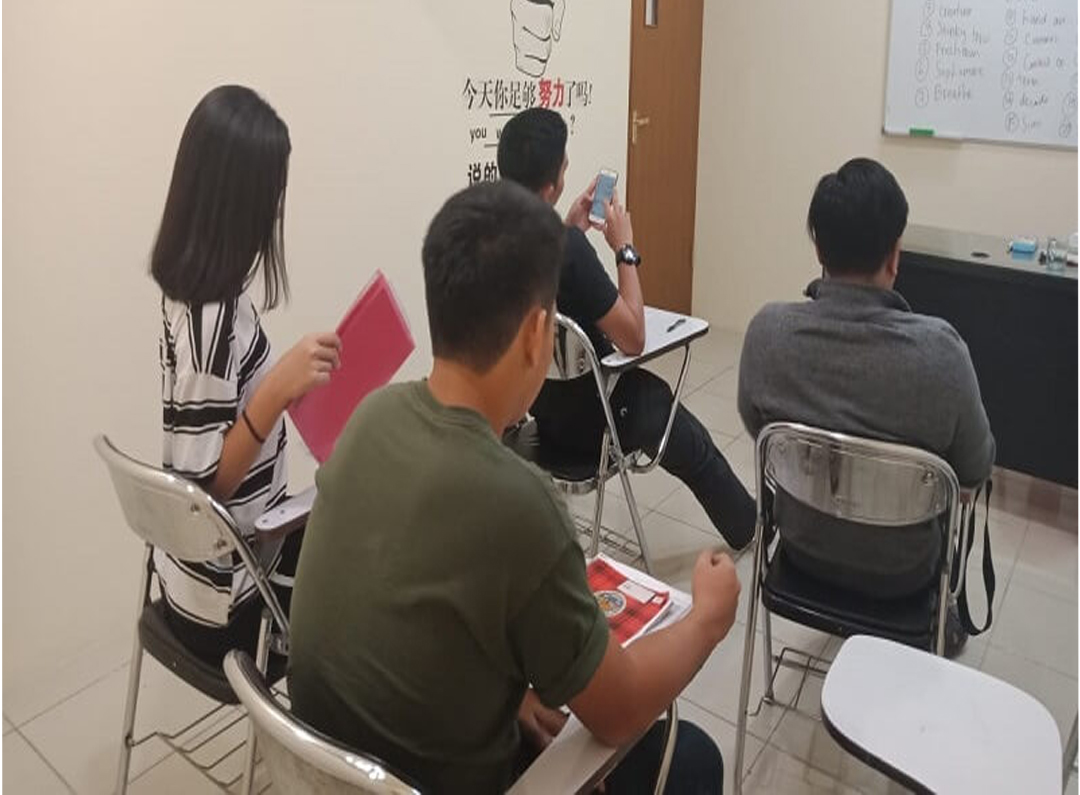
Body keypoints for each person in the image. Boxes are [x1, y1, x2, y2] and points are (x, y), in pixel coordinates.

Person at [289, 181, 740, 794]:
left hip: (325, 774)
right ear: (536, 335)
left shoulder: (372, 417)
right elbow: (620, 709)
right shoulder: (520, 502)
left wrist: (512, 695)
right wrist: (707, 619)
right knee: (692, 758)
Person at [737, 157, 995, 652]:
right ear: (895, 256)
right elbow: (975, 469)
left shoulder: (767, 334)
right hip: (904, 577)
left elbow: (759, 431)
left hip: (802, 555)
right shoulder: (942, 355)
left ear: (819, 249)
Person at [496, 108, 756, 551]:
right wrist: (625, 249)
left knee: (666, 415)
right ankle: (750, 527)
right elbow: (633, 337)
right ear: (553, 185)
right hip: (597, 423)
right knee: (682, 432)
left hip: (537, 412)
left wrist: (570, 227)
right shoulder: (568, 251)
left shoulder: (491, 239)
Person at [150, 85, 341, 663]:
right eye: (272, 192)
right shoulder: (210, 319)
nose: (277, 207)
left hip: (211, 575)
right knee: (377, 551)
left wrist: (290, 381)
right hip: (229, 605)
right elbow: (204, 491)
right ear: (238, 200)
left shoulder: (201, 293)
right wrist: (278, 389)